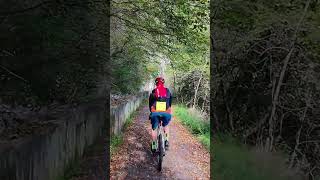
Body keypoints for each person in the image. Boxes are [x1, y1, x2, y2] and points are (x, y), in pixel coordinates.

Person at [149, 76, 172, 153]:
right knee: (166, 125)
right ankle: (166, 140)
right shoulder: (168, 91)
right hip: (166, 113)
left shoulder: (153, 92)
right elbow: (170, 103)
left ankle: (154, 145)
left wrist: (151, 112)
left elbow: (150, 104)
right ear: (163, 83)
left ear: (156, 84)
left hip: (155, 113)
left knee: (154, 128)